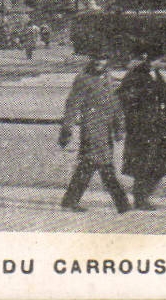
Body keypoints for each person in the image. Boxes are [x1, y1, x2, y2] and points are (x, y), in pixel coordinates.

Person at [58, 54, 130, 213]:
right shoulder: (84, 78)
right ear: (91, 59)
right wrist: (67, 129)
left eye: (103, 58)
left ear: (107, 61)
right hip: (91, 130)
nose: (99, 61)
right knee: (104, 166)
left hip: (106, 130)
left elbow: (115, 105)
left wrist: (119, 127)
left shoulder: (108, 78)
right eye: (96, 58)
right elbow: (72, 105)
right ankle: (122, 204)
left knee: (88, 165)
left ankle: (70, 201)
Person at [116, 42, 166, 210]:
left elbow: (164, 94)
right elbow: (124, 97)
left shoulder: (155, 74)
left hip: (158, 126)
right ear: (149, 59)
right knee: (143, 164)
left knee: (160, 165)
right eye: (160, 60)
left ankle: (144, 196)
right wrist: (137, 118)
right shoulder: (136, 75)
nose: (162, 62)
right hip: (142, 127)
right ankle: (140, 198)